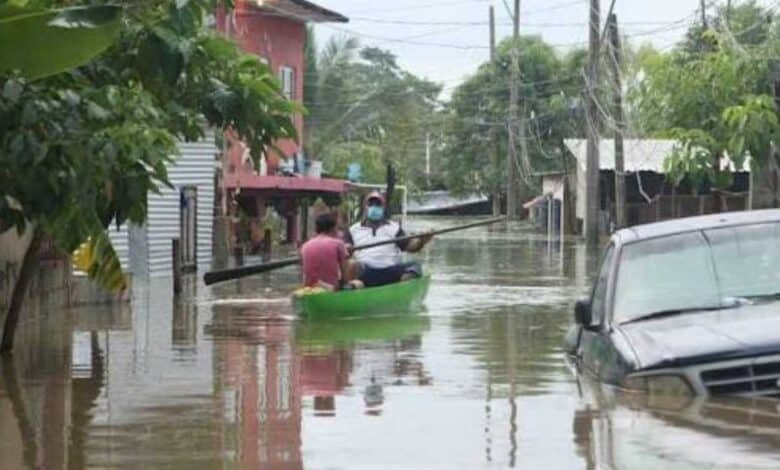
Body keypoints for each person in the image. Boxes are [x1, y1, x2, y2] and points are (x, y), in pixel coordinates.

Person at [345, 191, 433, 287]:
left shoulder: (394, 227)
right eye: (370, 204)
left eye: (378, 204)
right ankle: (354, 288)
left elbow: (410, 247)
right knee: (351, 264)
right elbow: (344, 251)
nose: (374, 207)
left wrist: (422, 240)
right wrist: (346, 249)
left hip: (390, 271)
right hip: (366, 271)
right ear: (365, 207)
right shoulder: (353, 229)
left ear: (383, 207)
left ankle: (401, 291)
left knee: (415, 267)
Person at [300, 213, 360, 290]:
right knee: (359, 283)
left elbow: (305, 273)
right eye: (337, 228)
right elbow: (345, 276)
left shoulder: (305, 245)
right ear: (333, 228)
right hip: (330, 288)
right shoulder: (338, 243)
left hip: (309, 288)